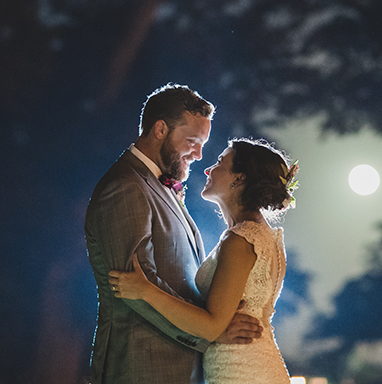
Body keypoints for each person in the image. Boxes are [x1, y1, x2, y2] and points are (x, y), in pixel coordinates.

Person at [84, 84, 262, 384]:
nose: (199, 154)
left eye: (203, 144)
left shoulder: (158, 186)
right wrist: (211, 333)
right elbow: (135, 289)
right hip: (142, 366)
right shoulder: (126, 186)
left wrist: (214, 317)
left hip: (180, 368)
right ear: (160, 129)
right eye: (192, 141)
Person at [109, 138, 298, 383]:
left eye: (220, 162)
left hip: (240, 371)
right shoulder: (265, 235)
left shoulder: (241, 240)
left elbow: (210, 327)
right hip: (256, 364)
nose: (209, 169)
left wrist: (145, 290)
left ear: (238, 178)